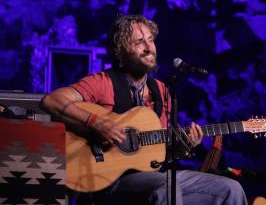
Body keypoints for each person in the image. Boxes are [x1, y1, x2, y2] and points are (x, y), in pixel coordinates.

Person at [41, 14, 248, 205]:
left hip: (154, 177)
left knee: (230, 189)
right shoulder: (102, 83)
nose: (149, 48)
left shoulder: (161, 90)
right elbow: (52, 101)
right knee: (166, 187)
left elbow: (158, 154)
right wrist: (96, 122)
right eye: (139, 42)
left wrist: (183, 146)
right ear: (118, 50)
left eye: (150, 40)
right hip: (107, 181)